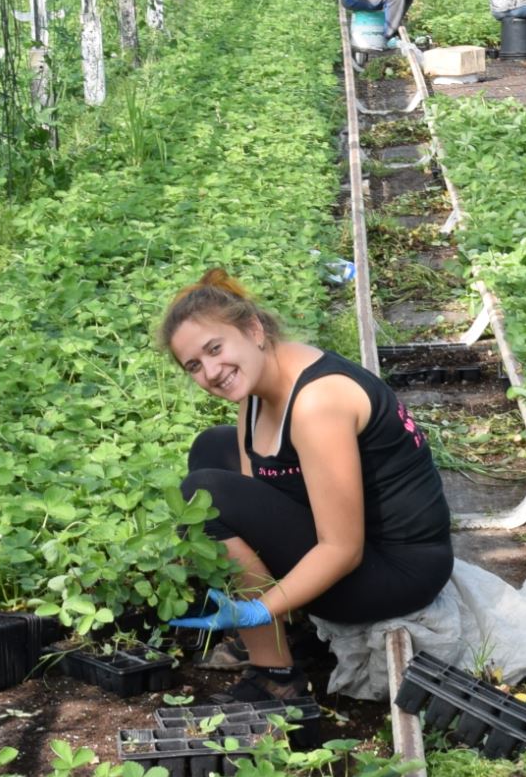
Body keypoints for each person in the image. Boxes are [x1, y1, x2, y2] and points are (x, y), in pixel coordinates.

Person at [161, 269, 453, 701]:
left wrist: (261, 607)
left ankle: (275, 676)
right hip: (364, 548)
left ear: (253, 329)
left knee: (204, 497)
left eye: (215, 348)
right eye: (194, 366)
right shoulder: (261, 382)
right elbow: (253, 488)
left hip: (395, 572)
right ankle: (276, 629)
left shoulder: (317, 402)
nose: (211, 372)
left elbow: (342, 549)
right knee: (211, 449)